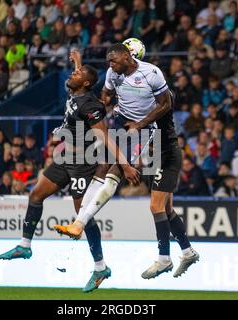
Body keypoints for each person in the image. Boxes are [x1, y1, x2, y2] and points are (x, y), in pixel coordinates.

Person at [0, 49, 139, 293]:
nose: (73, 73)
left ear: (85, 82)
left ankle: (100, 267)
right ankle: (24, 245)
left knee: (82, 217)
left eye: (78, 73)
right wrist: (79, 62)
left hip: (83, 164)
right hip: (65, 158)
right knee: (36, 195)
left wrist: (125, 164)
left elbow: (105, 137)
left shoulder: (90, 105)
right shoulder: (75, 90)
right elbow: (80, 80)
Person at [55, 43, 199, 279]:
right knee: (165, 208)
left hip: (162, 147)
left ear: (127, 56)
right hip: (137, 137)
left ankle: (163, 258)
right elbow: (101, 92)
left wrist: (139, 126)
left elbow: (166, 104)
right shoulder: (115, 74)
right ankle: (188, 251)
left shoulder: (152, 76)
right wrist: (106, 100)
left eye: (112, 61)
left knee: (149, 201)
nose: (109, 67)